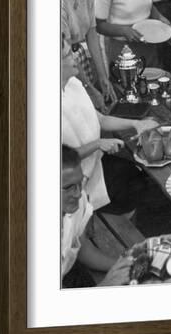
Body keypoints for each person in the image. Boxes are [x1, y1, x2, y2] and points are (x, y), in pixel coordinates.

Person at [61, 35, 159, 215]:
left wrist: (136, 124)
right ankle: (117, 220)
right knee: (136, 184)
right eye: (67, 55)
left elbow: (101, 119)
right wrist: (98, 144)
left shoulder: (74, 84)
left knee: (137, 173)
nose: (75, 57)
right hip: (77, 180)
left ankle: (130, 215)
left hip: (96, 161)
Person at [61, 144, 134, 287]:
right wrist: (107, 283)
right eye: (69, 187)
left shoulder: (78, 201)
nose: (77, 193)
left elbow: (83, 248)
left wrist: (122, 266)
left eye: (79, 183)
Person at [61, 0, 116, 112]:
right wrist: (89, 89)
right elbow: (66, 52)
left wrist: (103, 77)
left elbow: (92, 36)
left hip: (84, 64)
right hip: (65, 68)